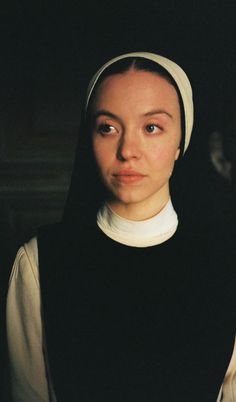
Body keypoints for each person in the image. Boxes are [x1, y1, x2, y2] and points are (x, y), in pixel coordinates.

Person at [6, 52, 236, 402]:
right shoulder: (39, 262)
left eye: (152, 127)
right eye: (108, 127)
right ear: (90, 138)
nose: (128, 150)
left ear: (180, 142)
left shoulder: (226, 263)